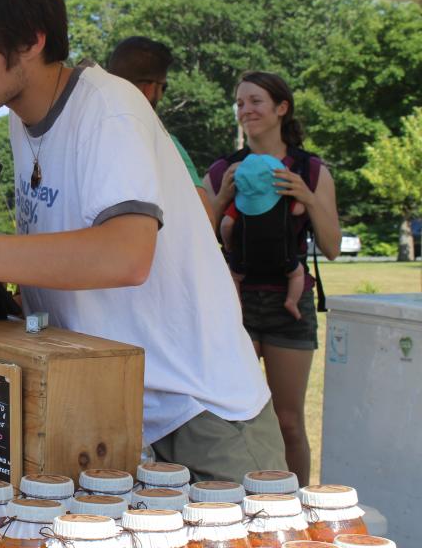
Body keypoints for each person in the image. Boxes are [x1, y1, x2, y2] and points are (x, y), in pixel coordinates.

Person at [0, 0, 286, 482]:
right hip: (111, 406)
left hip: (201, 412)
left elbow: (125, 256)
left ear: (31, 39)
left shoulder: (108, 107)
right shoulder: (18, 118)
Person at [205, 72, 341, 486]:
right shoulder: (223, 169)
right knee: (229, 420)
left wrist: (306, 193)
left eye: (256, 101)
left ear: (282, 108)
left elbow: (332, 246)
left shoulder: (311, 169)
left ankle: (297, 512)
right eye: (240, 103)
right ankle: (237, 507)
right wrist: (224, 198)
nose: (246, 110)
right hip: (235, 302)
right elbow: (199, 242)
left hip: (290, 303)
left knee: (288, 423)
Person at [106, 36, 213, 224]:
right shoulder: (163, 142)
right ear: (150, 88)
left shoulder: (82, 135)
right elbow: (205, 220)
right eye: (164, 86)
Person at [218, 154, 306, 319]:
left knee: (234, 277)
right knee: (297, 273)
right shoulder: (285, 201)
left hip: (245, 258)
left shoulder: (237, 206)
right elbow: (300, 210)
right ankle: (292, 302)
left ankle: (238, 307)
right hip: (282, 257)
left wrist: (229, 245)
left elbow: (226, 225)